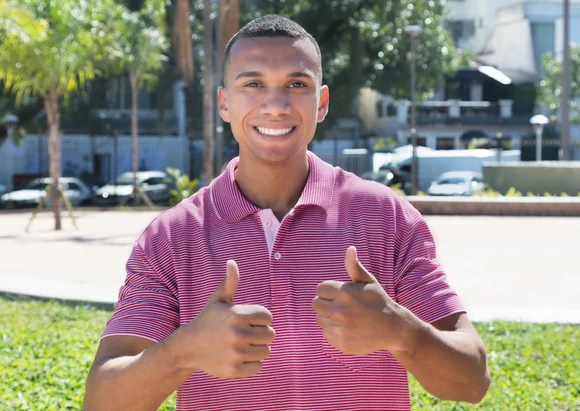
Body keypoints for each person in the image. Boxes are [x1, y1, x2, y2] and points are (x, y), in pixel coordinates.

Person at [83, 15, 490, 411]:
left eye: (297, 84)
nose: (275, 105)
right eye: (253, 84)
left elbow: (473, 381)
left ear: (322, 102)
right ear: (224, 102)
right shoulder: (171, 236)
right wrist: (181, 352)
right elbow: (101, 402)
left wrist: (403, 332)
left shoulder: (386, 216)